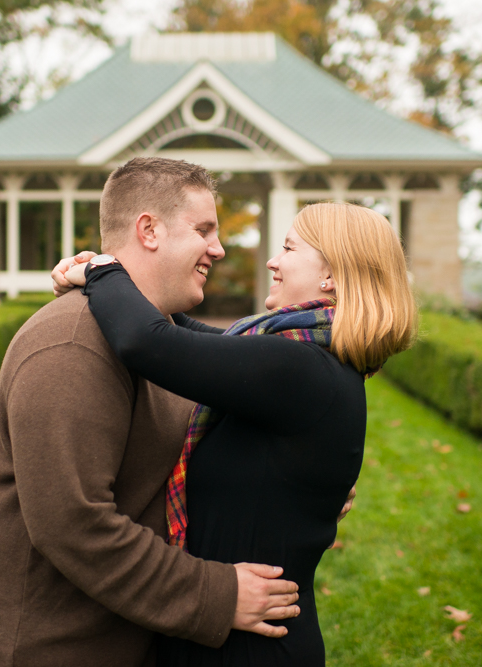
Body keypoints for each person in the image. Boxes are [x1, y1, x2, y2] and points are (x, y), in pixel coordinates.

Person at [0, 158, 302, 667]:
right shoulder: (73, 343)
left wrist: (304, 475)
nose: (219, 248)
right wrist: (215, 595)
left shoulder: (161, 342)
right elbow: (73, 524)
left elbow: (207, 436)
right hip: (30, 646)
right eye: (203, 230)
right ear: (149, 230)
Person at [55, 201, 417, 666]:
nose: (272, 260)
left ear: (331, 276)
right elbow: (201, 344)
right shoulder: (311, 360)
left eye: (288, 247)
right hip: (243, 636)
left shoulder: (300, 368)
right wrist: (138, 286)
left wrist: (105, 272)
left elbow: (148, 343)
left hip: (246, 647)